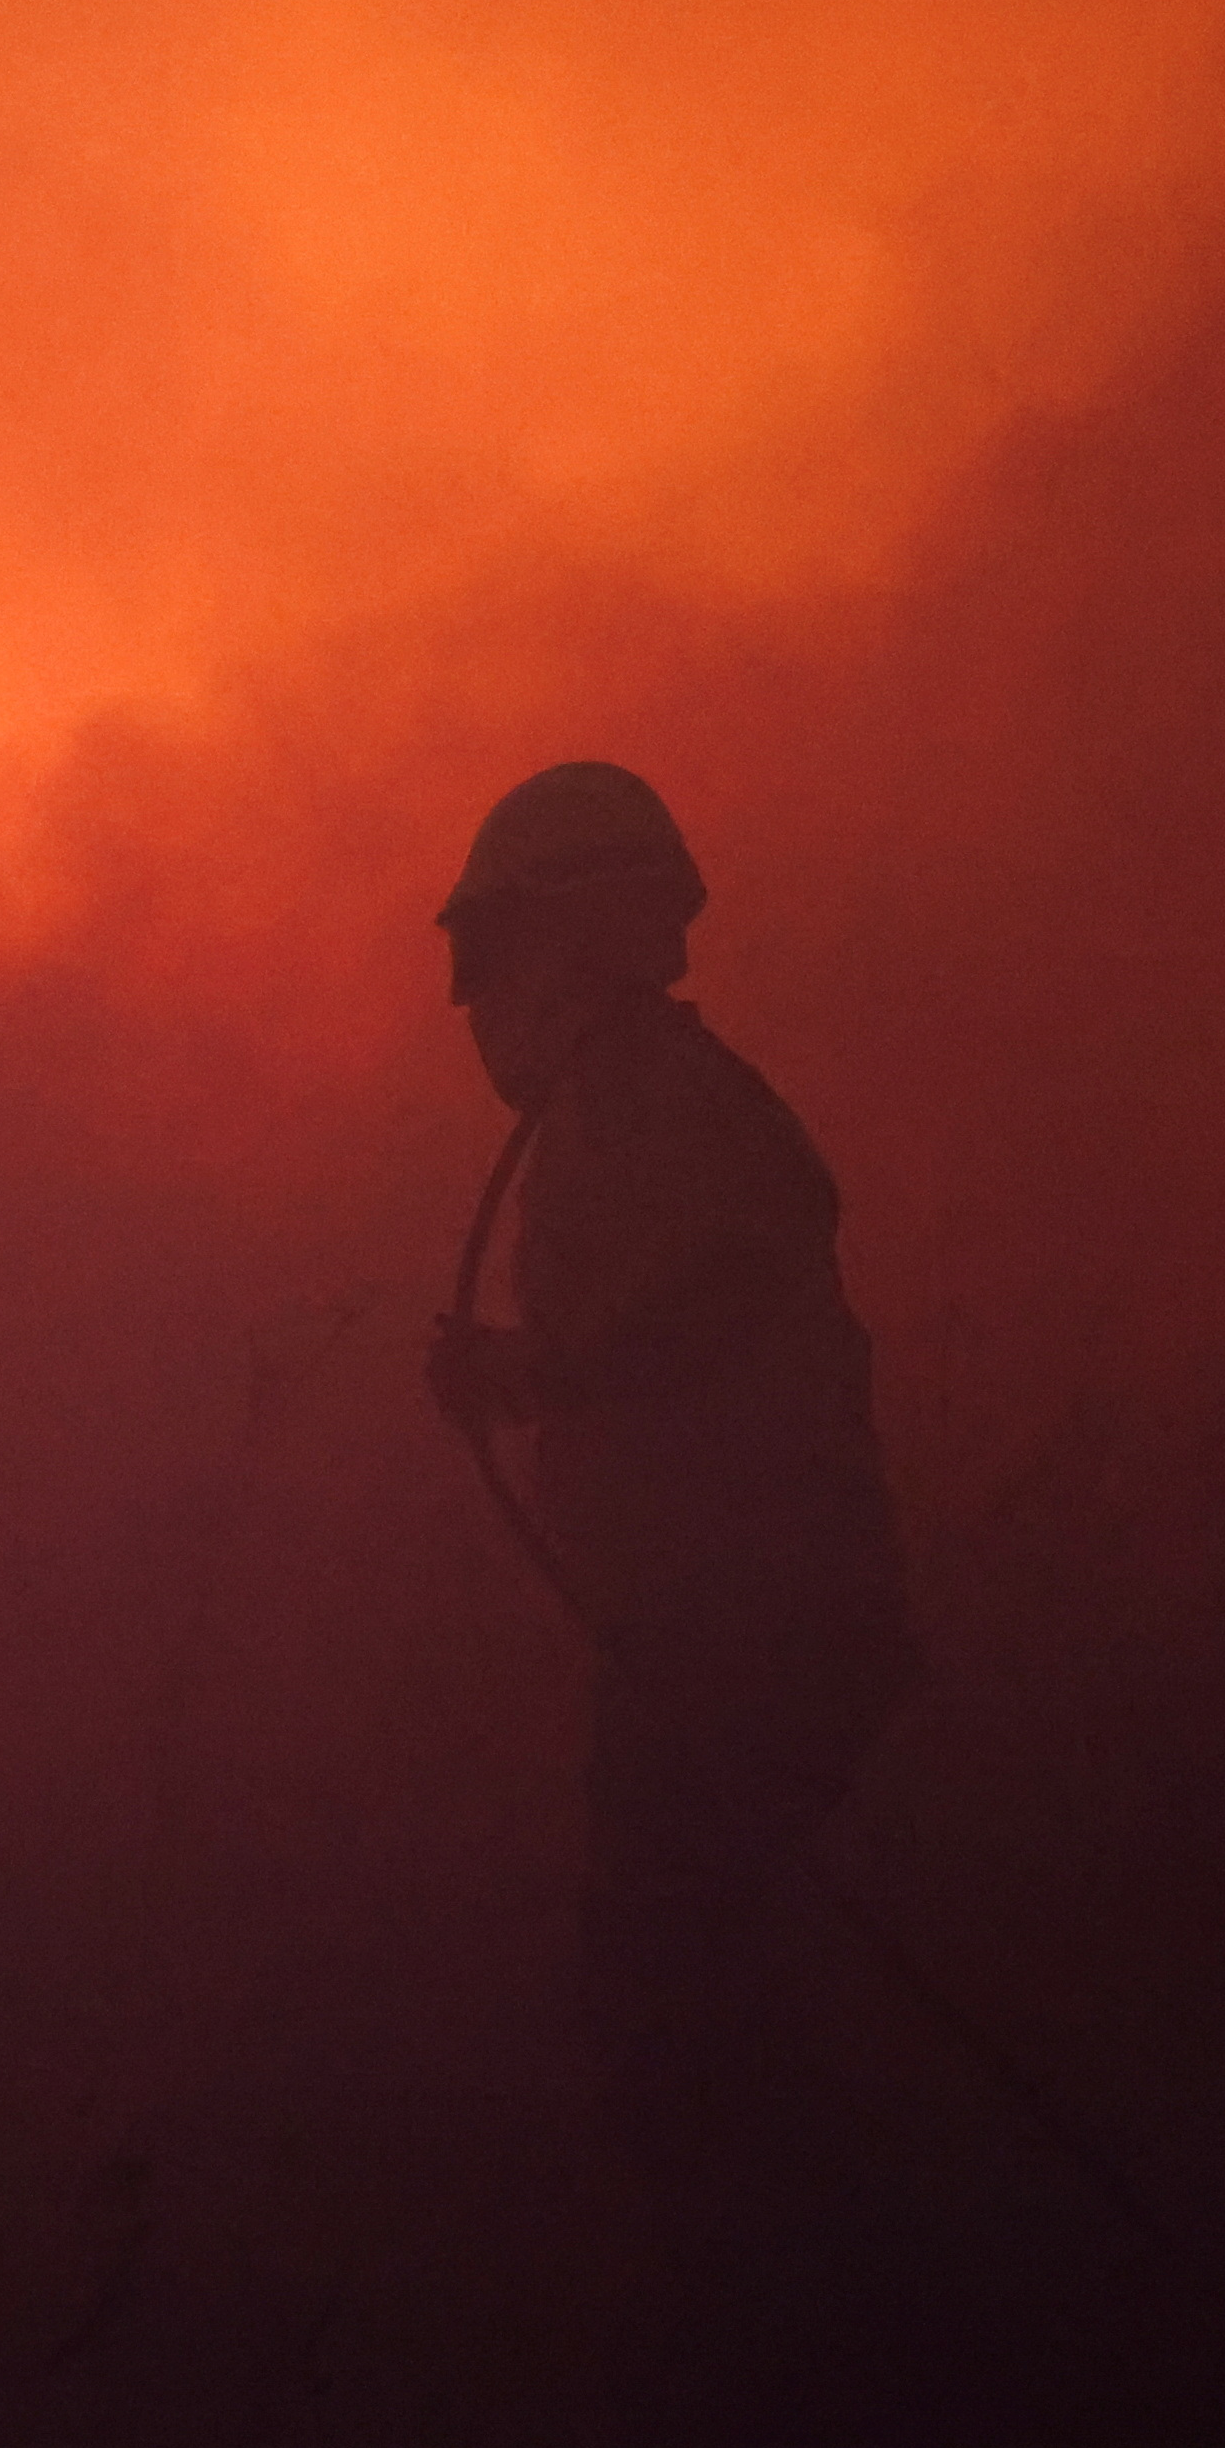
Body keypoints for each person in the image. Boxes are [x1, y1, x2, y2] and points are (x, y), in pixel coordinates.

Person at [421, 763, 912, 2079]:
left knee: (668, 2001)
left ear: (562, 939)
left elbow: (718, 1290)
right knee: (704, 1967)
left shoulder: (649, 1094)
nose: (473, 999)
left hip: (742, 1616)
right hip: (718, 1613)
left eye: (487, 952)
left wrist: (537, 1371)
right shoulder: (620, 1105)